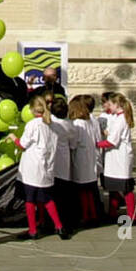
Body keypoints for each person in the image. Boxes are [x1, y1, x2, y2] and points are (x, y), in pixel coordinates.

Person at [13, 95, 68, 240]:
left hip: (32, 167)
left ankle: (32, 229)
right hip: (47, 166)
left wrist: (13, 138)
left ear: (32, 109)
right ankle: (58, 225)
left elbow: (22, 144)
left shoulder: (33, 124)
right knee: (48, 199)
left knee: (30, 200)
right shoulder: (54, 125)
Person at [97, 92, 136, 224]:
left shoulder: (121, 120)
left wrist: (95, 144)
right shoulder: (118, 117)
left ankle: (131, 216)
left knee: (125, 188)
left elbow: (112, 141)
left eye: (111, 104)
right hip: (114, 157)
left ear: (117, 105)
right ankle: (112, 212)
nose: (109, 106)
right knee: (113, 185)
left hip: (120, 157)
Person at [67, 97, 101, 227]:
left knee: (82, 191)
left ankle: (86, 215)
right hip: (90, 159)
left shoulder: (78, 124)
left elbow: (74, 143)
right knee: (89, 191)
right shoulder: (89, 122)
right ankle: (93, 214)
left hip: (81, 160)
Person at [48, 95, 77, 232]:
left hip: (51, 162)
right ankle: (66, 222)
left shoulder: (50, 123)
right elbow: (73, 144)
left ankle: (50, 222)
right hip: (64, 162)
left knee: (51, 195)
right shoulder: (70, 125)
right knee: (63, 196)